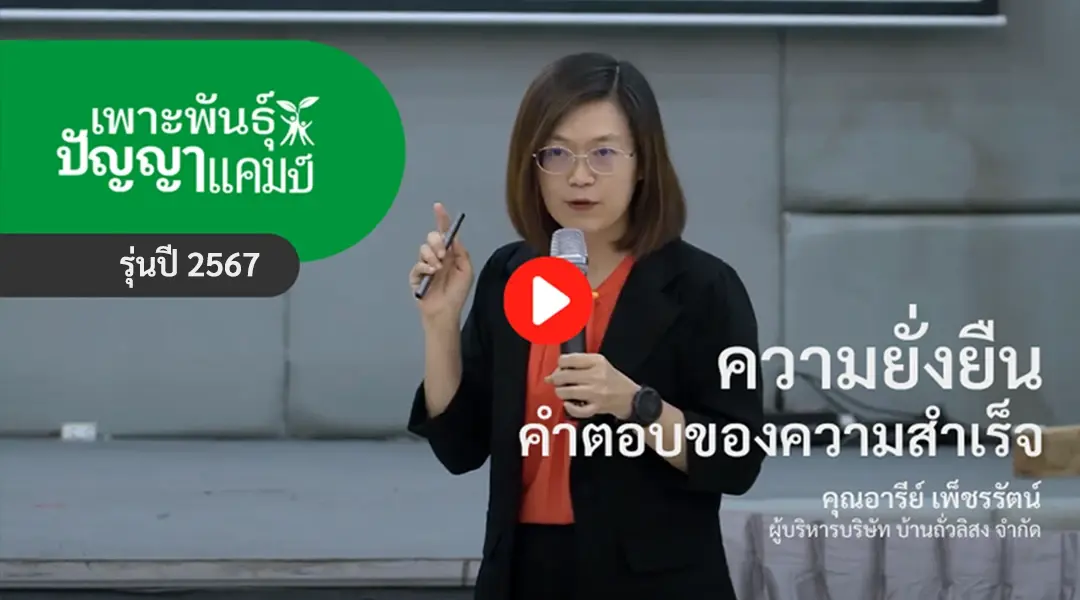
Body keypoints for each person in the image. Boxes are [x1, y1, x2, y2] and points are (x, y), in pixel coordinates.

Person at [407, 52, 765, 600]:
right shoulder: (510, 273)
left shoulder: (701, 287)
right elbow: (460, 448)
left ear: (642, 162)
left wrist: (637, 404)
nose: (579, 176)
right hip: (522, 573)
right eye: (556, 153)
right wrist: (439, 323)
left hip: (651, 583)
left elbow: (736, 462)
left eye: (603, 152)